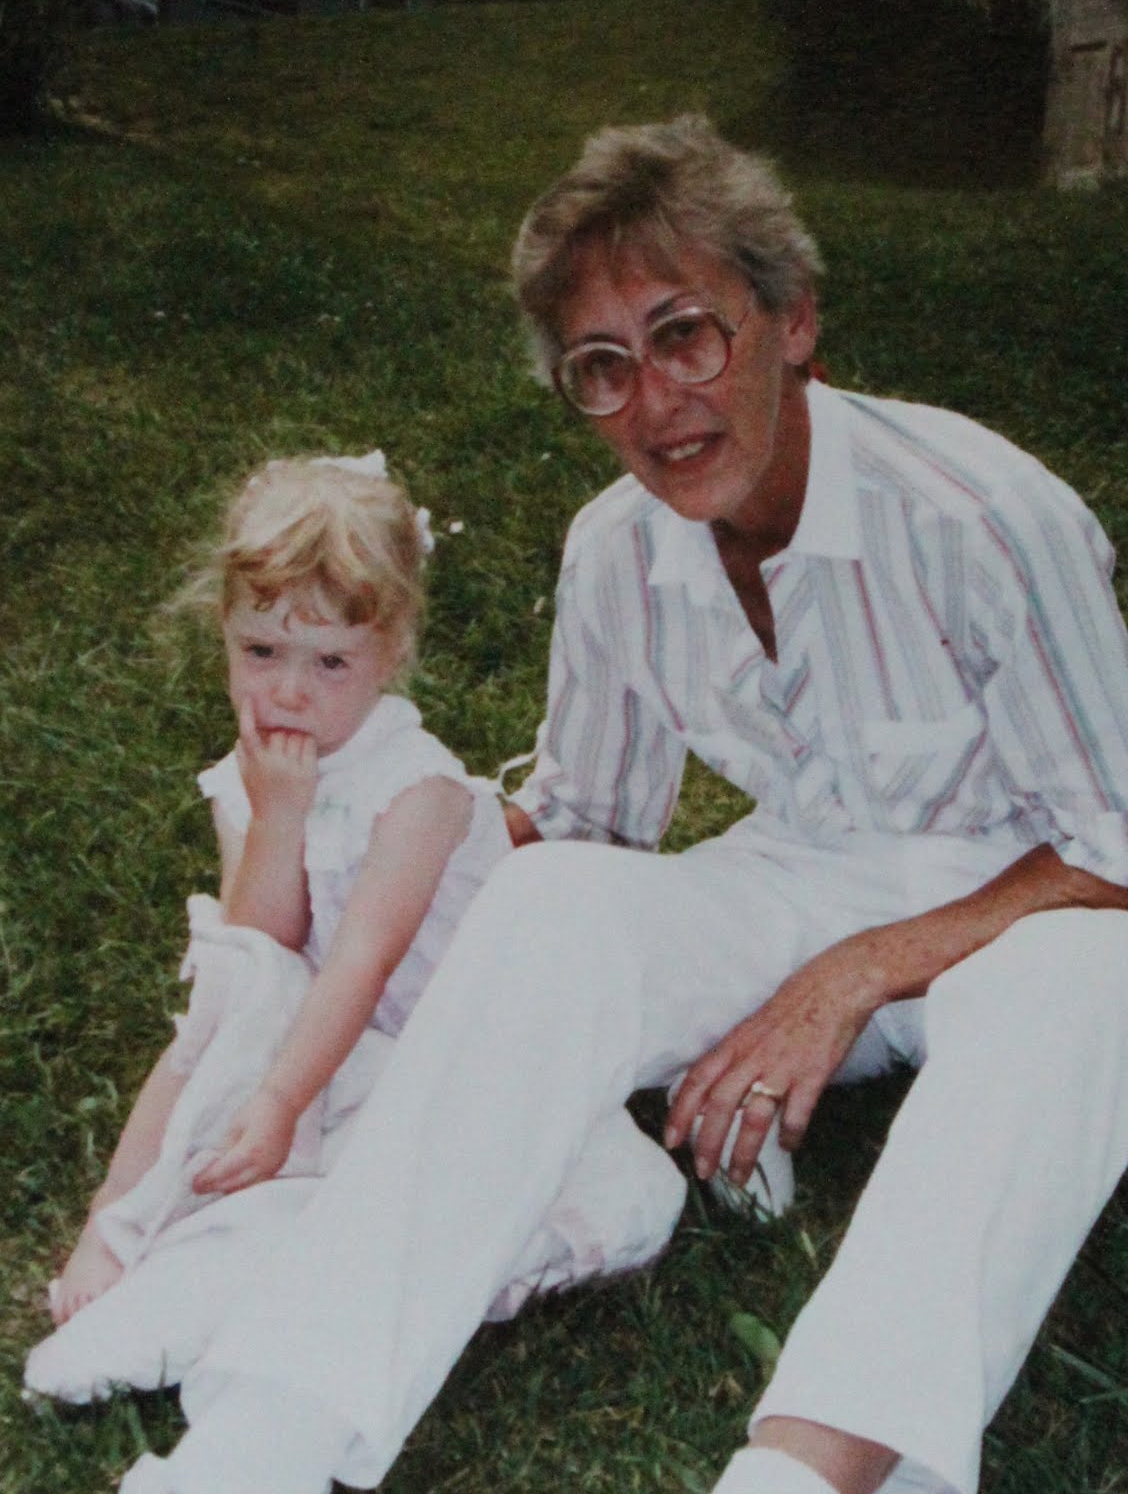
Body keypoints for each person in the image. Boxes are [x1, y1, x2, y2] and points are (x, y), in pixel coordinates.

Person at [75, 115, 1128, 1494]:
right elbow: (584, 819)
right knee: (558, 899)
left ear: (793, 321)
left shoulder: (982, 515)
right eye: (603, 367)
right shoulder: (616, 552)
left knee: (1092, 984)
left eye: (687, 335)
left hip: (1028, 898)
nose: (657, 402)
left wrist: (849, 978)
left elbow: (1115, 842)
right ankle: (268, 1430)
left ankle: (813, 1468)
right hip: (797, 872)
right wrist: (371, 872)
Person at [27, 448, 683, 1402]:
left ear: (389, 652)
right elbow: (264, 948)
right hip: (328, 1036)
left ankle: (342, 1263)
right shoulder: (256, 773)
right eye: (261, 652)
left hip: (451, 1042)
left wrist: (280, 1099)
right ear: (224, 633)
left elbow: (364, 963)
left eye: (330, 662)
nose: (289, 691)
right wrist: (278, 815)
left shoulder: (419, 791)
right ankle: (116, 1222)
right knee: (215, 1019)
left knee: (579, 1188)